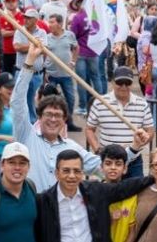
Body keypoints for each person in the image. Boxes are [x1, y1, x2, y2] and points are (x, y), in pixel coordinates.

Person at [12, 46, 112, 191]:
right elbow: (17, 102)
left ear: (64, 120)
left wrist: (133, 149)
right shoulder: (26, 136)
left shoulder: (72, 148)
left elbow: (103, 166)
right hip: (32, 209)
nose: (53, 119)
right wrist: (29, 62)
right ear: (39, 117)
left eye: (58, 115)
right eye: (48, 114)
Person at [85, 66, 154, 178]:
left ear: (132, 83)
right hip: (109, 162)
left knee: (136, 194)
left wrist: (146, 138)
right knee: (109, 194)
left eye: (127, 83)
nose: (123, 86)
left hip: (134, 161)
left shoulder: (142, 104)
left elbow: (150, 131)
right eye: (119, 82)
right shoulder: (100, 102)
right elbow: (89, 129)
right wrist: (97, 149)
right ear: (112, 82)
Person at [43, 13, 80, 127]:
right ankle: (51, 122)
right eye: (49, 22)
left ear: (59, 24)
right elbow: (43, 54)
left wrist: (73, 61)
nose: (49, 25)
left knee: (70, 99)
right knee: (50, 100)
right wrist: (45, 71)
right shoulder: (47, 37)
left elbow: (76, 47)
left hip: (66, 74)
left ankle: (69, 122)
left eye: (52, 22)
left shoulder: (69, 35)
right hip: (51, 74)